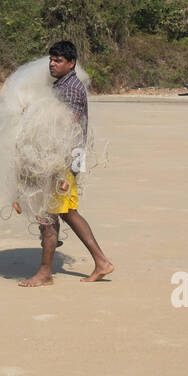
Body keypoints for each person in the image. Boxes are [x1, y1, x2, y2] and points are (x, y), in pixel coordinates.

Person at [18, 41, 114, 287]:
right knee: (59, 213)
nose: (52, 63)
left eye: (58, 60)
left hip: (64, 159)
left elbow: (66, 125)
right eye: (51, 59)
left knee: (56, 215)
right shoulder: (62, 84)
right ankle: (95, 262)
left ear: (71, 64)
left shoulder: (70, 88)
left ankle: (47, 272)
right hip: (65, 158)